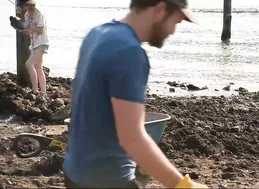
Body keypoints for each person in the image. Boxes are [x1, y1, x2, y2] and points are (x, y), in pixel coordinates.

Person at [62, 0, 208, 188]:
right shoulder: (130, 53)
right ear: (160, 9)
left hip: (75, 173)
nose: (173, 31)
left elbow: (78, 103)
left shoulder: (96, 34)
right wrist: (182, 185)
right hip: (109, 180)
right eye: (175, 22)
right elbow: (132, 138)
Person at [21, 0, 49, 94]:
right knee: (38, 67)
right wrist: (20, 27)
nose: (22, 7)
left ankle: (35, 90)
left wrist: (30, 28)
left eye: (24, 5)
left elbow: (41, 30)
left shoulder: (39, 14)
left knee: (29, 64)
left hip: (42, 42)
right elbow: (28, 31)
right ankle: (43, 92)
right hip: (34, 43)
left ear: (31, 5)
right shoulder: (27, 15)